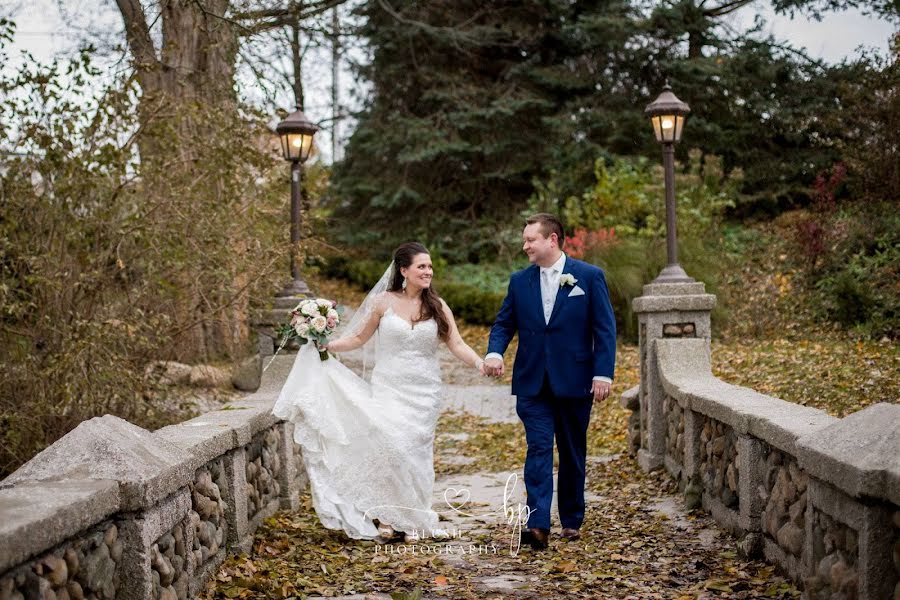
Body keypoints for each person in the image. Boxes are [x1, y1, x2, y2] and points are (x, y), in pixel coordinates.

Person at [272, 242, 486, 543]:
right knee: (391, 447)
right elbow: (359, 337)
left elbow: (457, 344)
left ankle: (412, 517)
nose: (428, 271)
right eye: (422, 266)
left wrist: (481, 362)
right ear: (404, 270)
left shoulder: (437, 306)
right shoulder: (383, 302)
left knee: (415, 456)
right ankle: (387, 516)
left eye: (430, 266)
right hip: (390, 387)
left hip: (425, 392)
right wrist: (328, 345)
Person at [483, 213, 616, 550]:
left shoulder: (588, 276)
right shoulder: (519, 281)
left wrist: (603, 373)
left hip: (575, 380)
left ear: (552, 240)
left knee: (572, 452)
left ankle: (571, 519)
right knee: (539, 448)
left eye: (531, 239)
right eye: (525, 239)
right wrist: (495, 353)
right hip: (532, 382)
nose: (525, 245)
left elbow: (604, 329)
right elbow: (503, 324)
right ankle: (538, 523)